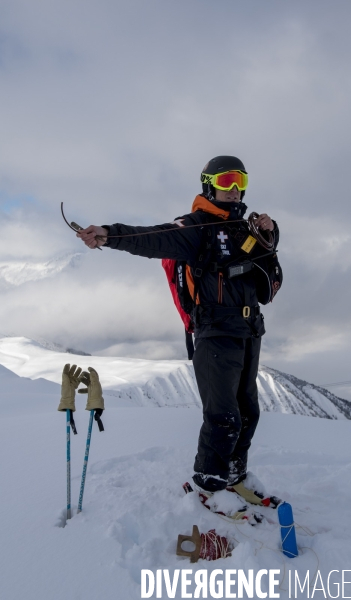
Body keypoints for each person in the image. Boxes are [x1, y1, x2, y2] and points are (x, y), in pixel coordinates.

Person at [77, 156, 281, 517]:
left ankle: (234, 476)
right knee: (223, 416)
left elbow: (268, 284)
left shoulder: (245, 228)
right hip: (215, 333)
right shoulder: (196, 227)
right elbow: (153, 238)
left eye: (240, 180)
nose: (234, 188)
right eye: (226, 179)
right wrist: (109, 235)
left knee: (247, 411)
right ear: (209, 184)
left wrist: (268, 235)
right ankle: (208, 486)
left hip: (249, 331)